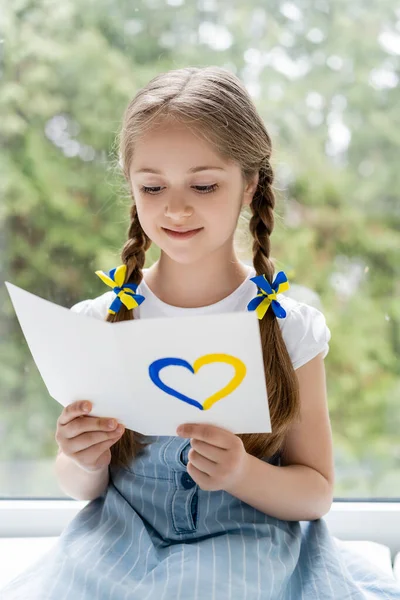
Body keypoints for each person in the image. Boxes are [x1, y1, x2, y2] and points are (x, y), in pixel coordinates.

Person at [2, 66, 399, 600]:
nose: (176, 207)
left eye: (204, 184)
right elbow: (81, 488)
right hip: (120, 545)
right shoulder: (99, 321)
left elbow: (315, 492)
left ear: (249, 184)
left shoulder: (288, 329)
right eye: (152, 186)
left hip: (249, 543)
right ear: (132, 187)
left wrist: (241, 473)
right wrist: (81, 457)